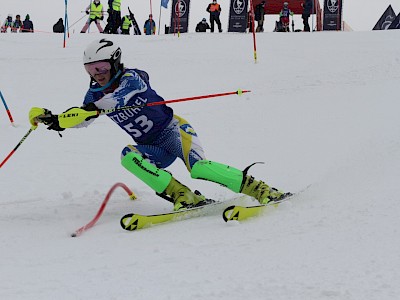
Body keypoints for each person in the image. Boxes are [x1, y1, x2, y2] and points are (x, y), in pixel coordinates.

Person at [28, 39, 290, 212]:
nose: (97, 73)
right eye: (90, 69)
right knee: (128, 156)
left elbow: (121, 97)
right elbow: (81, 119)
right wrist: (54, 120)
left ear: (115, 62)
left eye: (101, 66)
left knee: (198, 167)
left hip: (174, 132)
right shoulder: (94, 96)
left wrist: (90, 110)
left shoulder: (133, 77)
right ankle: (183, 196)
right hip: (152, 147)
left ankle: (260, 189)